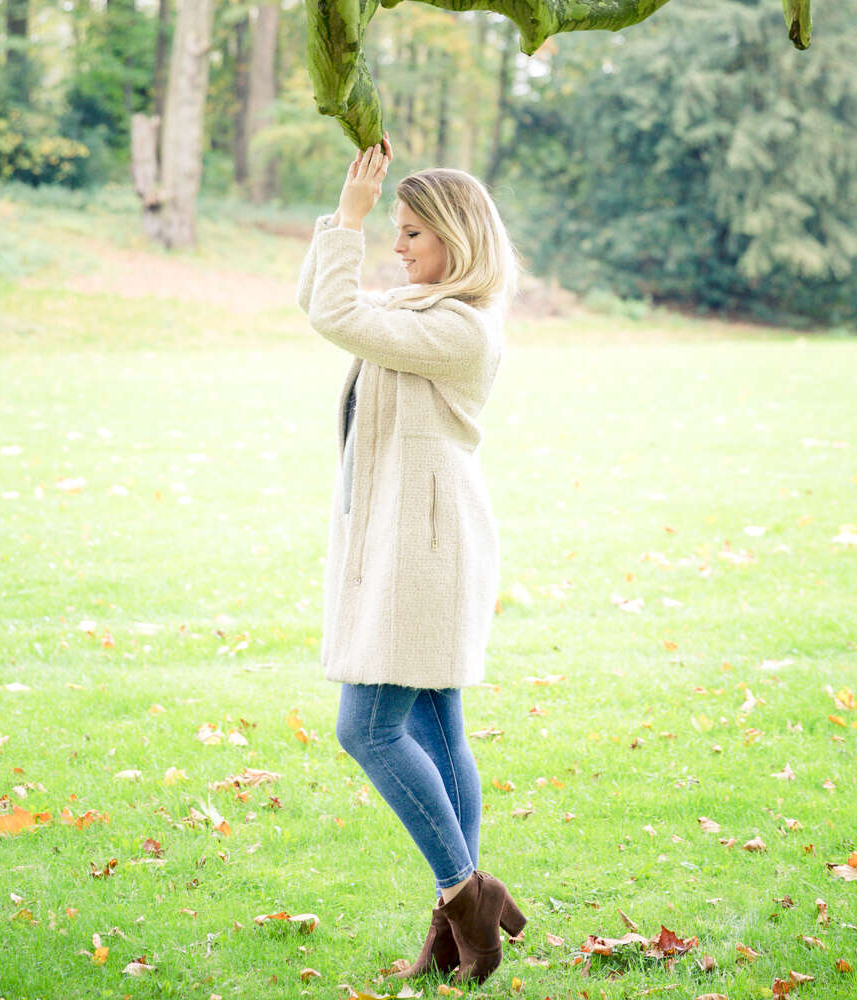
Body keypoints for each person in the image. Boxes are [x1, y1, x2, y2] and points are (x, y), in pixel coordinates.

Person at [296, 133, 525, 986]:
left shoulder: (460, 328)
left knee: (369, 725)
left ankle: (466, 893)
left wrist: (345, 222)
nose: (397, 246)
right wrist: (339, 224)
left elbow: (335, 314)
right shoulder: (420, 312)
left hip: (425, 549)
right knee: (434, 727)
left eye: (412, 234)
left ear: (457, 241)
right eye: (394, 230)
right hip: (409, 537)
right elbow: (323, 302)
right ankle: (458, 921)